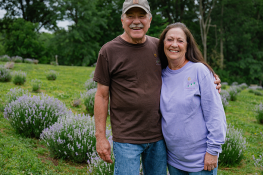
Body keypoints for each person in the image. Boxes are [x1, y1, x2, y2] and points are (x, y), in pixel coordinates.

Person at [93, 0, 221, 174]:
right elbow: (101, 96)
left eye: (142, 16)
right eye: (130, 16)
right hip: (126, 138)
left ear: (150, 19)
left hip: (159, 139)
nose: (136, 21)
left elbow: (182, 66)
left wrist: (209, 78)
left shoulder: (159, 47)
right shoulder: (108, 51)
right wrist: (100, 137)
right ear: (122, 20)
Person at [158, 22, 227, 175]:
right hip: (174, 160)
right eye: (169, 39)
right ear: (163, 43)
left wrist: (213, 151)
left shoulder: (199, 70)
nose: (174, 44)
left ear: (187, 45)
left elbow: (215, 114)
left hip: (202, 161)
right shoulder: (160, 74)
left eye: (180, 40)